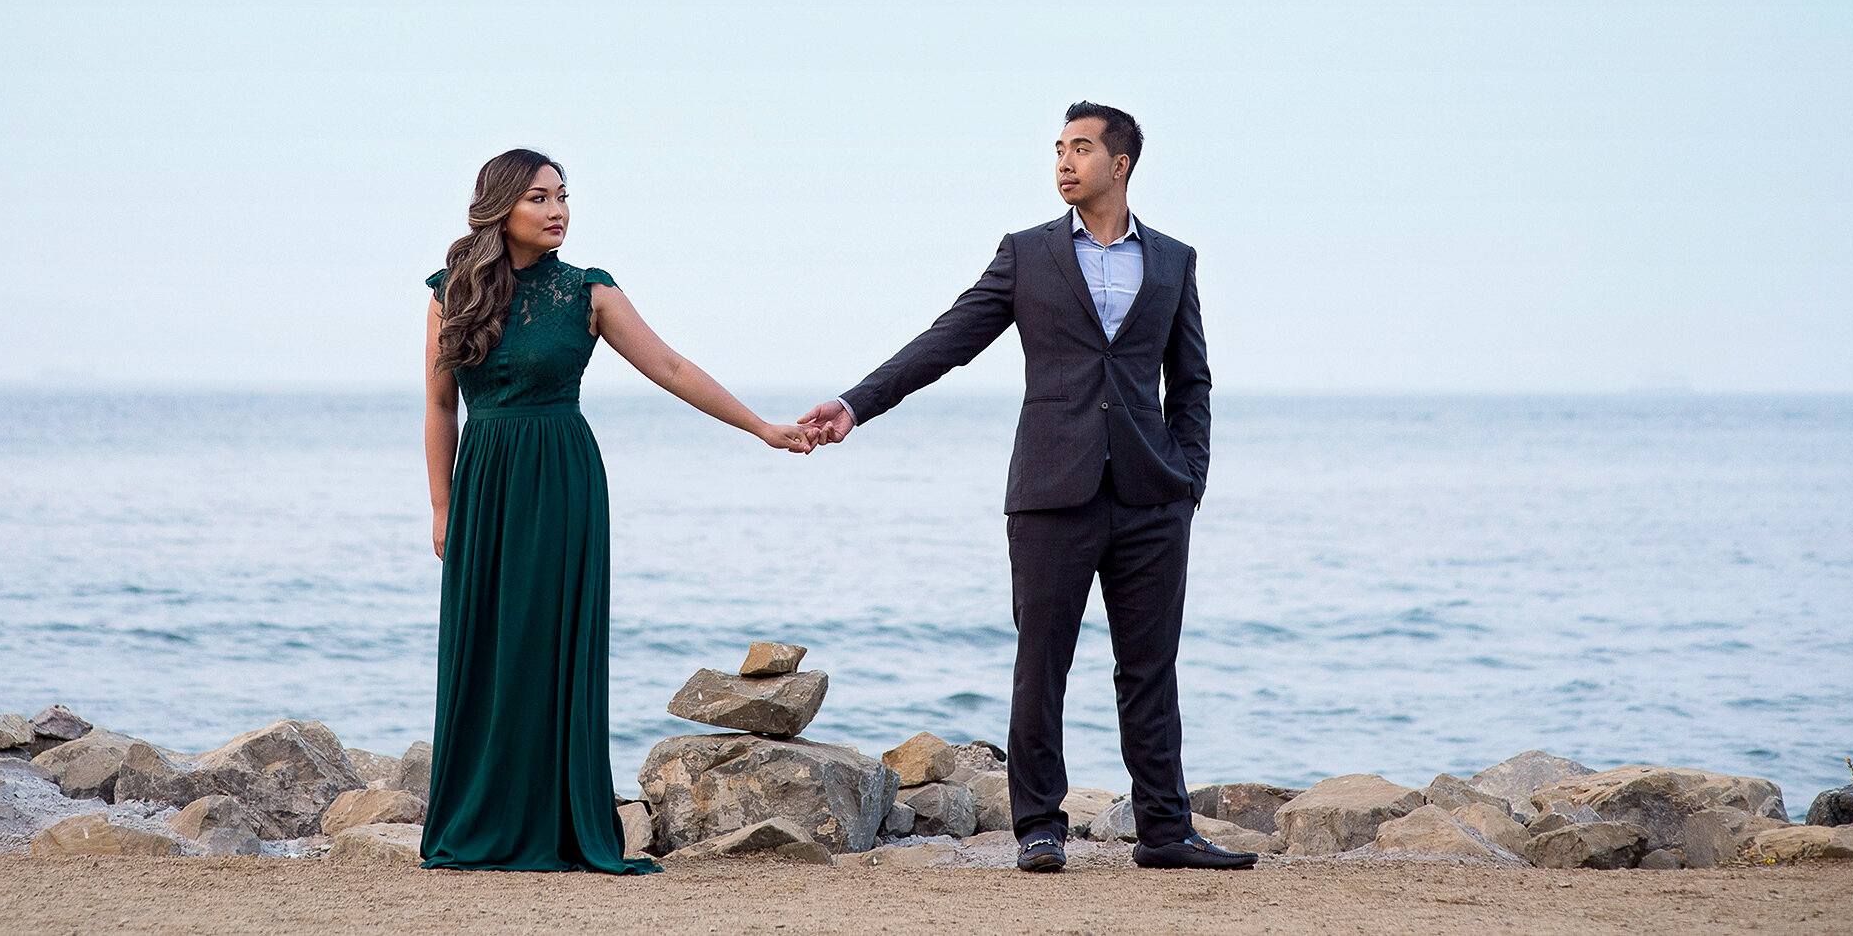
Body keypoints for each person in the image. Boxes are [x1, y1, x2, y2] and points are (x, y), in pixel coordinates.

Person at [800, 102, 1249, 874]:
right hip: (1050, 492)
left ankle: (1165, 830)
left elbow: (1192, 381)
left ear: (1122, 164)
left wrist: (1190, 480)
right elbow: (948, 339)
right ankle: (1040, 826)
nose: (1064, 162)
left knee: (1151, 667)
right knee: (1042, 662)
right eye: (1058, 149)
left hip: (1152, 496)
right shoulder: (1027, 254)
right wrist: (853, 405)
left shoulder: (1174, 259)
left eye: (1081, 149)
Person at [419, 148, 815, 872]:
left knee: (547, 640)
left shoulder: (589, 292)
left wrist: (760, 426)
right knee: (484, 646)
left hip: (561, 478)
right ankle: (481, 816)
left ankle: (556, 821)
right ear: (500, 207)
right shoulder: (453, 292)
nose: (558, 209)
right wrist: (442, 508)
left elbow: (671, 368)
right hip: (484, 481)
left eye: (563, 197)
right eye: (540, 197)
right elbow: (441, 405)